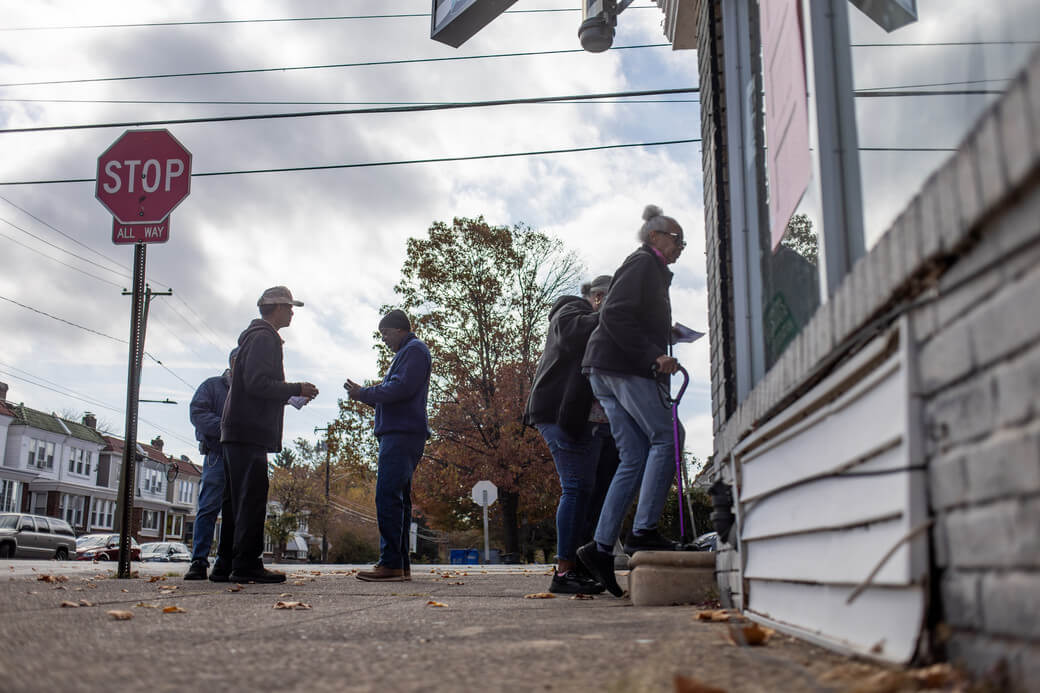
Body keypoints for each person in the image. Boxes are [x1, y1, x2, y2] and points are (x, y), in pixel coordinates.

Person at [577, 205, 686, 597]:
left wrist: (664, 334)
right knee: (669, 435)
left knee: (634, 456)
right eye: (677, 239)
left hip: (605, 368)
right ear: (655, 236)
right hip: (622, 367)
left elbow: (626, 317)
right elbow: (615, 316)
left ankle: (600, 548)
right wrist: (652, 355)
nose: (681, 247)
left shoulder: (648, 269)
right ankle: (643, 531)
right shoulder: (643, 264)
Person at [214, 286, 318, 584]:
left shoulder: (254, 337)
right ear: (277, 308)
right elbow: (258, 383)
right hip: (250, 430)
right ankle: (247, 564)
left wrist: (289, 396)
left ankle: (224, 564)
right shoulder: (264, 337)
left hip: (238, 429)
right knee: (251, 499)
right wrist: (296, 388)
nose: (292, 312)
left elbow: (253, 387)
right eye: (289, 307)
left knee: (235, 501)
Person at [524, 274, 613, 594]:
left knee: (589, 492)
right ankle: (563, 572)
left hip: (587, 420)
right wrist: (615, 311)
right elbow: (574, 334)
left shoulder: (596, 320)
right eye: (614, 300)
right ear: (599, 298)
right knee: (576, 487)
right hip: (559, 413)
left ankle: (580, 566)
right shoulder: (569, 310)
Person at [345, 309, 432, 582]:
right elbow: (395, 395)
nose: (383, 339)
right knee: (398, 500)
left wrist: (364, 393)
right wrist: (364, 396)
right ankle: (399, 565)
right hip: (402, 432)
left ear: (399, 329)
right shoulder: (408, 353)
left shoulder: (414, 350)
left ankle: (390, 563)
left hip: (401, 434)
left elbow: (399, 389)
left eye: (384, 333)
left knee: (387, 496)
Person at [183, 347, 237, 580]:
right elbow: (197, 413)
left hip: (243, 456)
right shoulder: (212, 386)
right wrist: (226, 427)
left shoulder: (251, 390)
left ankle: (227, 562)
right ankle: (199, 561)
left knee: (237, 512)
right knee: (208, 508)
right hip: (217, 453)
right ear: (233, 362)